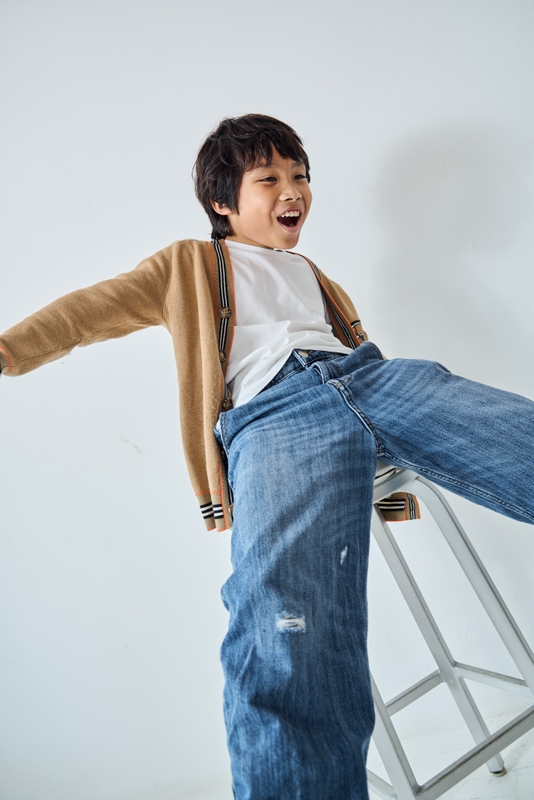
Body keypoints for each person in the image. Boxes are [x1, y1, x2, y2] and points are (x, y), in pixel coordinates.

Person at [1, 114, 533, 799]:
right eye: (270, 178)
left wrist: (386, 480)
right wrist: (9, 350)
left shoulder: (314, 274)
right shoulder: (187, 264)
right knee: (286, 616)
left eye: (301, 176)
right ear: (221, 201)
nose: (294, 190)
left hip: (374, 378)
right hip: (275, 414)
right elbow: (88, 310)